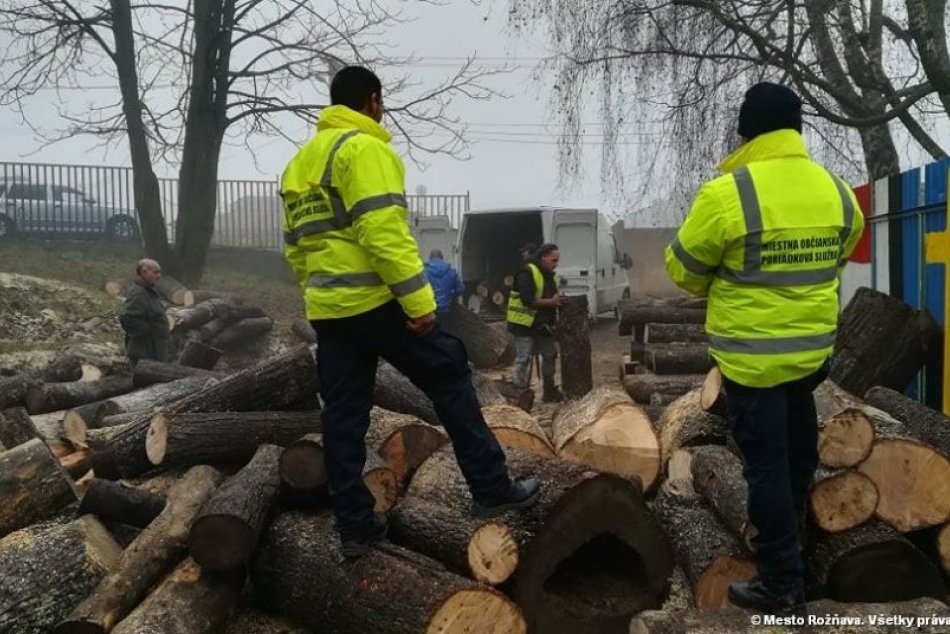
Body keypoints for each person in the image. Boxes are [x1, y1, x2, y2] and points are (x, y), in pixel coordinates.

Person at [280, 66, 540, 558]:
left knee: (343, 415)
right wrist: (420, 305)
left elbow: (295, 248)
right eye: (381, 102)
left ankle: (355, 527)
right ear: (372, 100)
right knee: (451, 375)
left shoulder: (299, 164)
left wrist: (320, 296)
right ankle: (491, 488)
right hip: (378, 304)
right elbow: (384, 235)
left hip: (330, 312)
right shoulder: (363, 148)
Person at [665, 82, 865, 613]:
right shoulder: (837, 190)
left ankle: (780, 582)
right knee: (798, 455)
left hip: (752, 363)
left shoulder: (727, 194)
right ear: (796, 129)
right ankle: (795, 541)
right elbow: (841, 252)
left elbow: (683, 270)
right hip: (811, 359)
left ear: (747, 132)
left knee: (767, 468)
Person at [507, 242, 565, 402]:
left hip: (542, 323)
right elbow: (527, 300)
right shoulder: (526, 272)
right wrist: (552, 302)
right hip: (523, 323)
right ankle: (519, 394)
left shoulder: (551, 276)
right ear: (543, 257)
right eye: (554, 260)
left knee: (550, 355)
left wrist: (558, 301)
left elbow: (552, 297)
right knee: (523, 358)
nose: (556, 264)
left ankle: (549, 391)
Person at [118, 258, 169, 366]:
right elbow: (126, 317)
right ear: (144, 271)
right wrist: (148, 332)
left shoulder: (148, 292)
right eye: (155, 272)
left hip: (152, 353)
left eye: (159, 273)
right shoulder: (139, 293)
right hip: (142, 355)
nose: (159, 276)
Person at [424, 248, 464, 316]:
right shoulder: (451, 271)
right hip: (447, 311)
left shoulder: (423, 272)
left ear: (430, 258)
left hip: (429, 311)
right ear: (442, 257)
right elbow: (460, 289)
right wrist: (450, 293)